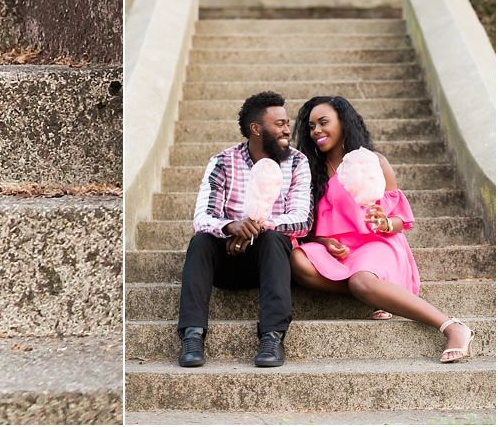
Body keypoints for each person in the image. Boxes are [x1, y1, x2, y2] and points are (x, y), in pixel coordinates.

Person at [290, 95, 474, 363]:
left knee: (360, 279)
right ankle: (380, 293)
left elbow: (401, 219)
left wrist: (385, 222)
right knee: (297, 260)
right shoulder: (310, 171)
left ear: (343, 122)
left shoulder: (373, 162)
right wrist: (325, 241)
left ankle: (452, 326)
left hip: (377, 245)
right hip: (339, 252)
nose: (316, 130)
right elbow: (308, 227)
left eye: (323, 122)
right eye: (311, 126)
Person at [177, 91, 311, 369]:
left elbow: (302, 220)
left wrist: (252, 229)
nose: (287, 129)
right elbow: (202, 216)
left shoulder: (297, 162)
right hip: (226, 260)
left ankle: (272, 337)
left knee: (275, 238)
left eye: (287, 123)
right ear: (256, 129)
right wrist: (229, 227)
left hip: (268, 262)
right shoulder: (223, 162)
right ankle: (192, 335)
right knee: (201, 241)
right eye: (280, 124)